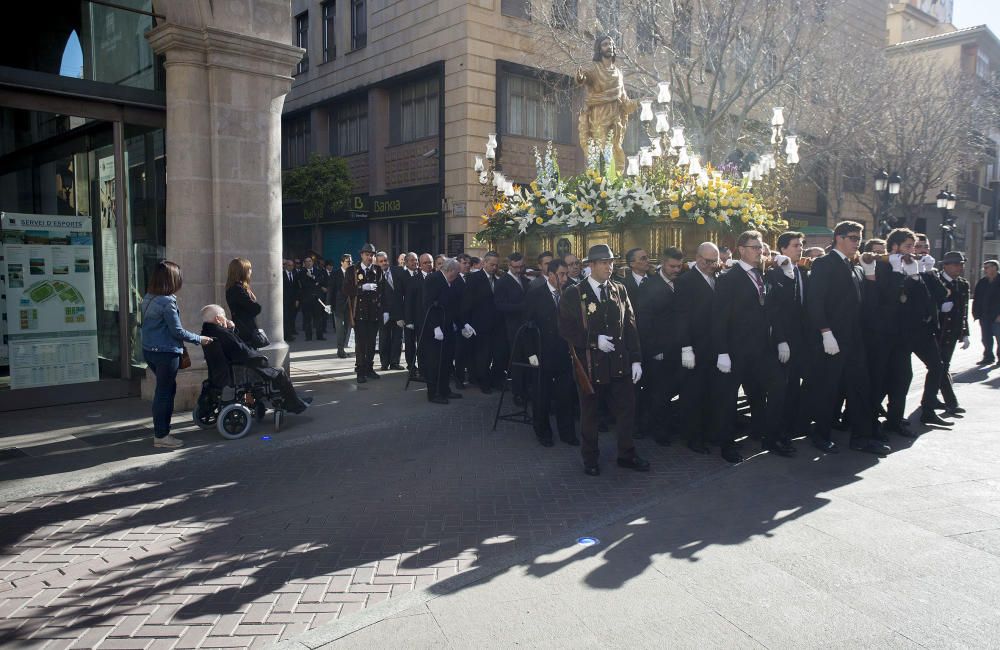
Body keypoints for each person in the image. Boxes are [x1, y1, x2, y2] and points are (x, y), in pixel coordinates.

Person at [559, 244, 648, 476]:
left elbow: (630, 326)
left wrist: (636, 359)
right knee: (590, 416)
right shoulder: (574, 293)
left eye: (611, 262)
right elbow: (566, 329)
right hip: (592, 365)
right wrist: (593, 340)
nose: (609, 267)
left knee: (626, 411)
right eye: (604, 263)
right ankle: (590, 459)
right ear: (591, 265)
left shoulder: (619, 289)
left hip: (619, 363)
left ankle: (626, 455)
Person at [808, 221, 887, 455]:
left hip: (854, 338)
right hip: (832, 337)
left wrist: (870, 274)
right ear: (839, 238)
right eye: (853, 238)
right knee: (828, 388)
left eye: (859, 238)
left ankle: (861, 437)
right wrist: (825, 332)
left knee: (860, 387)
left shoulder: (856, 267)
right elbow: (815, 301)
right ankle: (820, 435)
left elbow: (867, 305)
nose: (858, 243)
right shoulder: (824, 263)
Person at [712, 231, 790, 463]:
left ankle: (771, 436)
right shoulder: (729, 279)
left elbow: (775, 309)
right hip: (736, 350)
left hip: (762, 348)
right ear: (741, 249)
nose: (760, 251)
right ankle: (727, 445)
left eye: (762, 247)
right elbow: (719, 318)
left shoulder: (763, 275)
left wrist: (781, 339)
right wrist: (722, 351)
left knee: (777, 386)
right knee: (729, 398)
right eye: (755, 247)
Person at [141, 260, 212, 449]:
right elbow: (178, 332)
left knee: (164, 391)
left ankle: (162, 431)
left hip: (150, 351)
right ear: (172, 279)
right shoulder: (167, 302)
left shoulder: (148, 297)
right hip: (166, 353)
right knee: (164, 393)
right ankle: (161, 435)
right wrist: (200, 339)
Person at [199, 304, 312, 414]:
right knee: (280, 373)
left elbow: (233, 346)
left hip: (224, 370)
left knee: (272, 369)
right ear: (218, 318)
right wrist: (259, 357)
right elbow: (242, 351)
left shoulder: (208, 331)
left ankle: (292, 400)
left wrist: (231, 328)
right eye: (224, 315)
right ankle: (293, 403)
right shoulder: (221, 332)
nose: (226, 318)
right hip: (240, 368)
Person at [523, 259, 578, 447]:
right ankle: (543, 431)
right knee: (542, 396)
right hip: (542, 353)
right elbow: (527, 327)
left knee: (566, 395)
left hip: (565, 354)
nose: (565, 278)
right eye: (561, 274)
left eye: (566, 274)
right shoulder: (536, 295)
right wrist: (531, 355)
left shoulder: (571, 293)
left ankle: (567, 433)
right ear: (551, 275)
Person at [635, 247, 686, 446]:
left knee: (668, 390)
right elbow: (644, 320)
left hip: (676, 348)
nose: (676, 270)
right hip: (657, 350)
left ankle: (662, 424)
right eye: (672, 266)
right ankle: (657, 430)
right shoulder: (649, 286)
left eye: (679, 266)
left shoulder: (681, 283)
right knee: (657, 392)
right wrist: (654, 350)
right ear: (663, 264)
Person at [767, 232, 810, 449]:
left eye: (801, 245)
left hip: (800, 340)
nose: (800, 249)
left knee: (794, 387)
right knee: (779, 390)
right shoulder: (774, 274)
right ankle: (775, 435)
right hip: (780, 340)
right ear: (783, 249)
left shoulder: (802, 271)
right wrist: (781, 340)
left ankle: (790, 429)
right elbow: (775, 310)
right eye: (795, 245)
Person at [676, 242, 720, 455]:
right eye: (708, 261)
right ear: (698, 258)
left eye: (715, 261)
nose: (712, 265)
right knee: (693, 395)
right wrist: (686, 347)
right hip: (694, 347)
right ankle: (693, 436)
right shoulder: (686, 281)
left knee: (711, 394)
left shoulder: (715, 278)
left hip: (712, 347)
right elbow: (681, 317)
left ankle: (710, 433)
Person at [576, 34, 636, 171]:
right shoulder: (594, 69)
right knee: (600, 150)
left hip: (615, 118)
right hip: (599, 117)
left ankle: (615, 182)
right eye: (605, 44)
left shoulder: (618, 73)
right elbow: (584, 78)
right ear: (599, 49)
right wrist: (580, 77)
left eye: (611, 44)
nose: (609, 46)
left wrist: (640, 103)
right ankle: (599, 182)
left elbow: (624, 101)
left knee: (615, 149)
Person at [421, 258, 463, 404]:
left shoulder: (451, 282)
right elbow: (428, 304)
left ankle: (444, 389)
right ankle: (433, 394)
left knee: (446, 360)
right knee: (434, 362)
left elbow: (454, 305)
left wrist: (462, 324)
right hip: (435, 329)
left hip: (448, 326)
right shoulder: (433, 279)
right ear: (450, 271)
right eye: (456, 273)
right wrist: (435, 327)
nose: (457, 276)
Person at [461, 251, 502, 394]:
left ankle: (494, 379)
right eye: (492, 264)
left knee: (495, 353)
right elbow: (467, 301)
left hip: (495, 324)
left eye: (496, 265)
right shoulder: (474, 278)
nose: (494, 267)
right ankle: (483, 382)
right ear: (484, 263)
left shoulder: (498, 279)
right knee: (483, 355)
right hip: (479, 323)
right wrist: (467, 322)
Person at [343, 243, 383, 383]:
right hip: (359, 313)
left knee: (372, 343)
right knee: (361, 343)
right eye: (367, 254)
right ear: (361, 255)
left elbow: (382, 290)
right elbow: (346, 290)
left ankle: (369, 368)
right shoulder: (352, 270)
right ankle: (360, 370)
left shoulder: (377, 270)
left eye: (372, 255)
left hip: (374, 312)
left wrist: (383, 311)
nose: (370, 257)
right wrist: (362, 288)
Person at [937, 251, 971, 414]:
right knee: (941, 367)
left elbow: (964, 310)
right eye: (956, 264)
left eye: (961, 264)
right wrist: (940, 309)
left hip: (953, 332)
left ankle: (929, 398)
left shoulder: (963, 284)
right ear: (945, 265)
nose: (960, 267)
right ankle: (951, 402)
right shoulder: (936, 281)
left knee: (942, 366)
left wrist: (965, 332)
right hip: (938, 331)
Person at [495, 252, 530, 403]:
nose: (518, 270)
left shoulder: (524, 279)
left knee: (528, 358)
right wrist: (521, 307)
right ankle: (517, 392)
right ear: (509, 265)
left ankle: (527, 389)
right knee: (516, 360)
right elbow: (499, 305)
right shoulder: (503, 282)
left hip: (526, 327)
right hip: (512, 327)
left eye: (521, 266)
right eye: (515, 267)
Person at [225, 257, 265, 349]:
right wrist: (253, 299)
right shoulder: (237, 289)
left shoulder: (235, 287)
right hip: (245, 330)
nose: (251, 271)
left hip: (243, 328)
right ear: (242, 271)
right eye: (249, 269)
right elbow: (255, 308)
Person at [405, 253, 434, 378]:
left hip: (435, 319)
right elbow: (409, 302)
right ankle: (423, 371)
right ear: (420, 265)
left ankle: (434, 369)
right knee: (421, 347)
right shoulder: (413, 280)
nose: (428, 265)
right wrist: (409, 320)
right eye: (425, 263)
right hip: (420, 319)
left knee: (434, 346)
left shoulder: (437, 277)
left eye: (430, 262)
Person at [377, 251, 406, 371]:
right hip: (383, 312)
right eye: (381, 261)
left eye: (385, 260)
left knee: (397, 339)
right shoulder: (375, 274)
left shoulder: (398, 271)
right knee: (384, 339)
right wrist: (383, 311)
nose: (384, 263)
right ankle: (384, 363)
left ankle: (395, 362)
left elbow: (404, 291)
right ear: (378, 263)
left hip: (398, 312)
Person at [972, 260, 1000, 365]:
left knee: (999, 337)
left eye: (987, 267)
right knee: (986, 338)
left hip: (997, 316)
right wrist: (976, 313)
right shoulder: (982, 282)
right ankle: (988, 357)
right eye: (984, 267)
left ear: (994, 268)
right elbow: (977, 297)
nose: (985, 270)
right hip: (984, 315)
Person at [295, 257, 326, 341]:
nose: (308, 263)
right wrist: (316, 283)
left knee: (318, 318)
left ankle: (320, 336)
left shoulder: (318, 271)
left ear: (312, 262)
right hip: (306, 299)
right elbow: (304, 284)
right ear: (304, 263)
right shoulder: (301, 273)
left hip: (317, 298)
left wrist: (312, 277)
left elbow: (321, 281)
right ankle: (308, 337)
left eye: (310, 261)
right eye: (306, 261)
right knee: (307, 319)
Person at [328, 254, 352, 358]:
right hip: (338, 305)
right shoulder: (335, 274)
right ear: (342, 262)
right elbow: (330, 290)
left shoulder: (352, 273)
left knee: (346, 328)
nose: (350, 263)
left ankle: (342, 348)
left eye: (351, 262)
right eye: (348, 262)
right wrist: (328, 304)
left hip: (349, 305)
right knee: (340, 329)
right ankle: (340, 350)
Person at [401, 252, 421, 374]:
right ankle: (411, 364)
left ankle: (421, 363)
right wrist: (405, 318)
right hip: (408, 314)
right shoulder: (402, 276)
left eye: (416, 260)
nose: (415, 262)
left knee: (421, 341)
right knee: (409, 342)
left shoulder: (421, 274)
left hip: (419, 313)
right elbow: (400, 297)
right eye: (412, 260)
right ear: (406, 262)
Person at [282, 259, 299, 342]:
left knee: (291, 317)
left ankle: (290, 333)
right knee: (286, 318)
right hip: (284, 300)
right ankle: (287, 335)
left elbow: (296, 288)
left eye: (292, 265)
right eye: (289, 265)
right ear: (285, 266)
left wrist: (297, 299)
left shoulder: (295, 274)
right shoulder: (282, 275)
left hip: (292, 301)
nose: (291, 267)